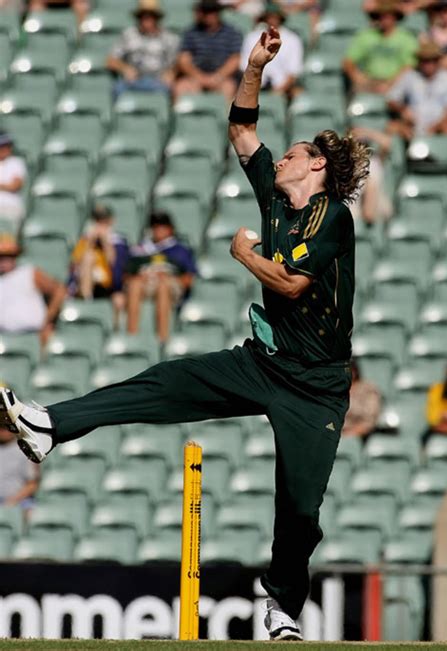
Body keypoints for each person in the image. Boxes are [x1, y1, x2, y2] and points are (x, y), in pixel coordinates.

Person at [0, 26, 370, 641]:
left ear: (318, 166)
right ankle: (49, 424)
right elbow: (243, 130)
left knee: (300, 510)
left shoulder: (334, 216)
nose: (280, 158)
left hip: (316, 387)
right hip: (263, 363)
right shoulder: (275, 202)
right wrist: (252, 66)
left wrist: (243, 254)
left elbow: (291, 286)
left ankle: (282, 605)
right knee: (162, 382)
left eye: (294, 153)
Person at [126, 212, 197, 342]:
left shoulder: (180, 250)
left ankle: (162, 339)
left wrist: (170, 279)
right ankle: (132, 337)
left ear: (170, 228)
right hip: (146, 283)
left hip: (170, 284)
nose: (158, 230)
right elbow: (127, 276)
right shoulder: (141, 250)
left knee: (163, 285)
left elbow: (189, 278)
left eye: (162, 226)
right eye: (155, 226)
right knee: (135, 284)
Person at [387, 40, 447, 138]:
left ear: (438, 60)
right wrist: (403, 110)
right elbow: (391, 99)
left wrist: (436, 126)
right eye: (424, 60)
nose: (428, 64)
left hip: (438, 127)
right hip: (412, 125)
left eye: (432, 60)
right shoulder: (409, 76)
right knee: (392, 127)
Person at [0, 234, 66, 346]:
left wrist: (48, 320)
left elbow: (59, 291)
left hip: (34, 336)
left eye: (9, 256)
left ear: (15, 256)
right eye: (1, 257)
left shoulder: (29, 272)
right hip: (3, 340)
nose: (4, 260)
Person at [68, 204, 129, 325]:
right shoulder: (85, 240)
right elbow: (74, 266)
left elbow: (116, 268)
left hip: (108, 284)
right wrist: (90, 242)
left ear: (111, 222)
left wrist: (106, 243)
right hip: (85, 282)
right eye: (98, 221)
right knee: (89, 256)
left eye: (104, 222)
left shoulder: (119, 242)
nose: (101, 226)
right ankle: (87, 303)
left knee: (119, 300)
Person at [107, 0, 179, 99]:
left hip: (158, 81)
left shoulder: (169, 38)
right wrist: (124, 68)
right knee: (117, 88)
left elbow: (178, 63)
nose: (146, 19)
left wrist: (171, 73)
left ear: (157, 18)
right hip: (134, 80)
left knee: (170, 90)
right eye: (143, 16)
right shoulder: (128, 34)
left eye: (150, 16)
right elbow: (111, 61)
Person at [174, 0, 243, 102]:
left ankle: (225, 117)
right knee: (180, 87)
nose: (209, 15)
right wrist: (199, 77)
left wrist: (217, 77)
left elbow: (235, 60)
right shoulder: (191, 32)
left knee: (228, 88)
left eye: (213, 11)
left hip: (223, 78)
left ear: (218, 13)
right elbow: (184, 59)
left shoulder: (232, 32)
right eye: (206, 11)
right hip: (195, 77)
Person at [343, 0, 418, 94]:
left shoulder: (406, 38)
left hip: (396, 83)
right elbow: (348, 62)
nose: (385, 20)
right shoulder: (366, 36)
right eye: (382, 16)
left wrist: (390, 83)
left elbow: (409, 66)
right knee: (356, 93)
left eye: (389, 16)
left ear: (396, 17)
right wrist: (359, 78)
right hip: (370, 82)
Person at [240, 2, 303, 97]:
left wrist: (278, 91)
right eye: (269, 17)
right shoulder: (252, 37)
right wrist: (255, 85)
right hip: (255, 85)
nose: (272, 20)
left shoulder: (292, 39)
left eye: (275, 17)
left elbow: (293, 72)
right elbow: (244, 65)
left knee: (298, 93)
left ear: (280, 18)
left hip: (283, 88)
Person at [0, 425, 39, 513]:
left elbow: (32, 484)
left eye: (7, 427)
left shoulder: (25, 450)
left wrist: (11, 501)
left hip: (18, 502)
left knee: (31, 510)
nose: (4, 431)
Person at [342, 359, 382, 438]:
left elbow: (369, 420)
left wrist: (350, 433)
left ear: (354, 371)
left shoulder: (368, 389)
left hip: (361, 435)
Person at [0, 132, 27, 233]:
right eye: (1, 146)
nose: (4, 149)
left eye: (7, 146)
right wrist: (5, 186)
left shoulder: (16, 162)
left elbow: (15, 186)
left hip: (11, 209)